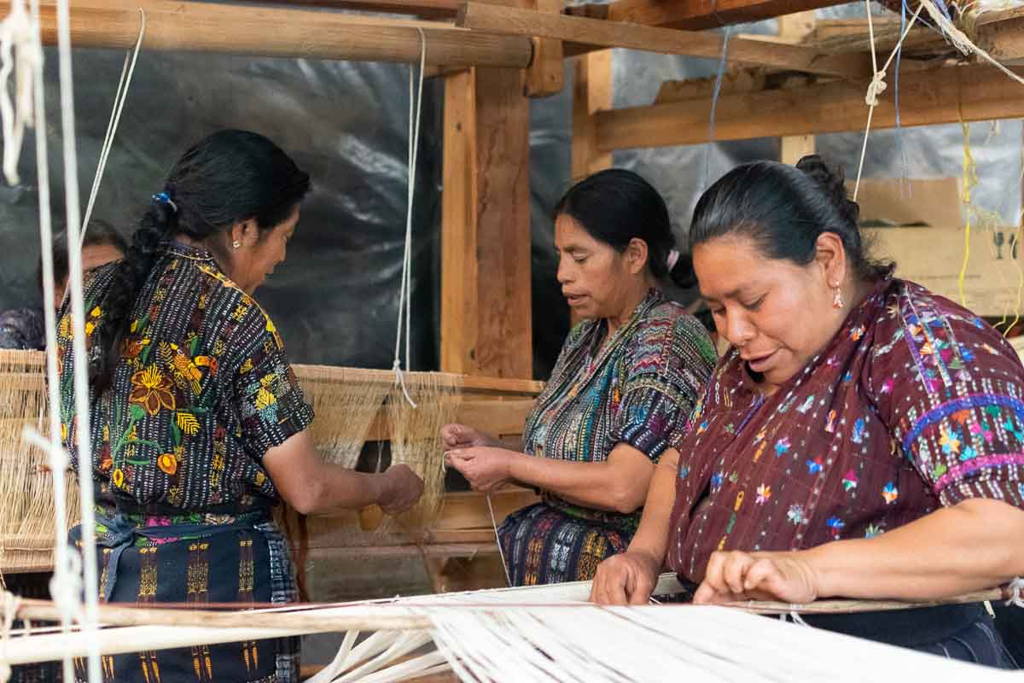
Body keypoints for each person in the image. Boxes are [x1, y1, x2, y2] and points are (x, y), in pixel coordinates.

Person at [590, 156, 1024, 667]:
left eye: (752, 300)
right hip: (740, 653)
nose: (735, 330)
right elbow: (678, 460)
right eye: (718, 309)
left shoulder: (920, 346)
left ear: (828, 260)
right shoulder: (747, 366)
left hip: (893, 660)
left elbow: (1004, 531)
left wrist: (809, 572)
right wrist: (645, 553)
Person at [56, 130, 424, 682]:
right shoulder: (236, 319)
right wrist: (386, 486)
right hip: (212, 586)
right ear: (244, 228)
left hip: (97, 574)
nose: (281, 256)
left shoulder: (87, 296)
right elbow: (307, 488)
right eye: (284, 236)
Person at [444, 169, 716, 586]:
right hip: (558, 590)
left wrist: (513, 463)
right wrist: (495, 452)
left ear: (634, 255)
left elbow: (626, 487)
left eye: (580, 257)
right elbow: (570, 459)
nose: (562, 274)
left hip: (619, 591)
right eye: (560, 256)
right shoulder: (586, 338)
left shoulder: (667, 342)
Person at [0, 220, 126, 350]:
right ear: (56, 293)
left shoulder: (142, 329)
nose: (108, 283)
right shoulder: (20, 331)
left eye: (117, 271)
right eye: (91, 276)